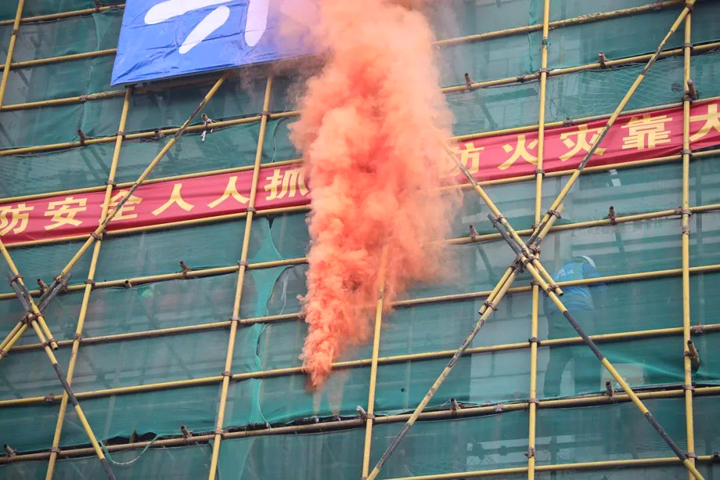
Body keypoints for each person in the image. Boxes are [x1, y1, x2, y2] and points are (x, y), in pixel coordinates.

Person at [543, 255, 607, 397]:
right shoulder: (583, 266)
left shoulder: (554, 274)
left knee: (557, 358)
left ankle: (550, 394)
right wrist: (599, 309)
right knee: (583, 353)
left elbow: (545, 301)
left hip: (556, 316)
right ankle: (584, 392)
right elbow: (599, 286)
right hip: (579, 312)